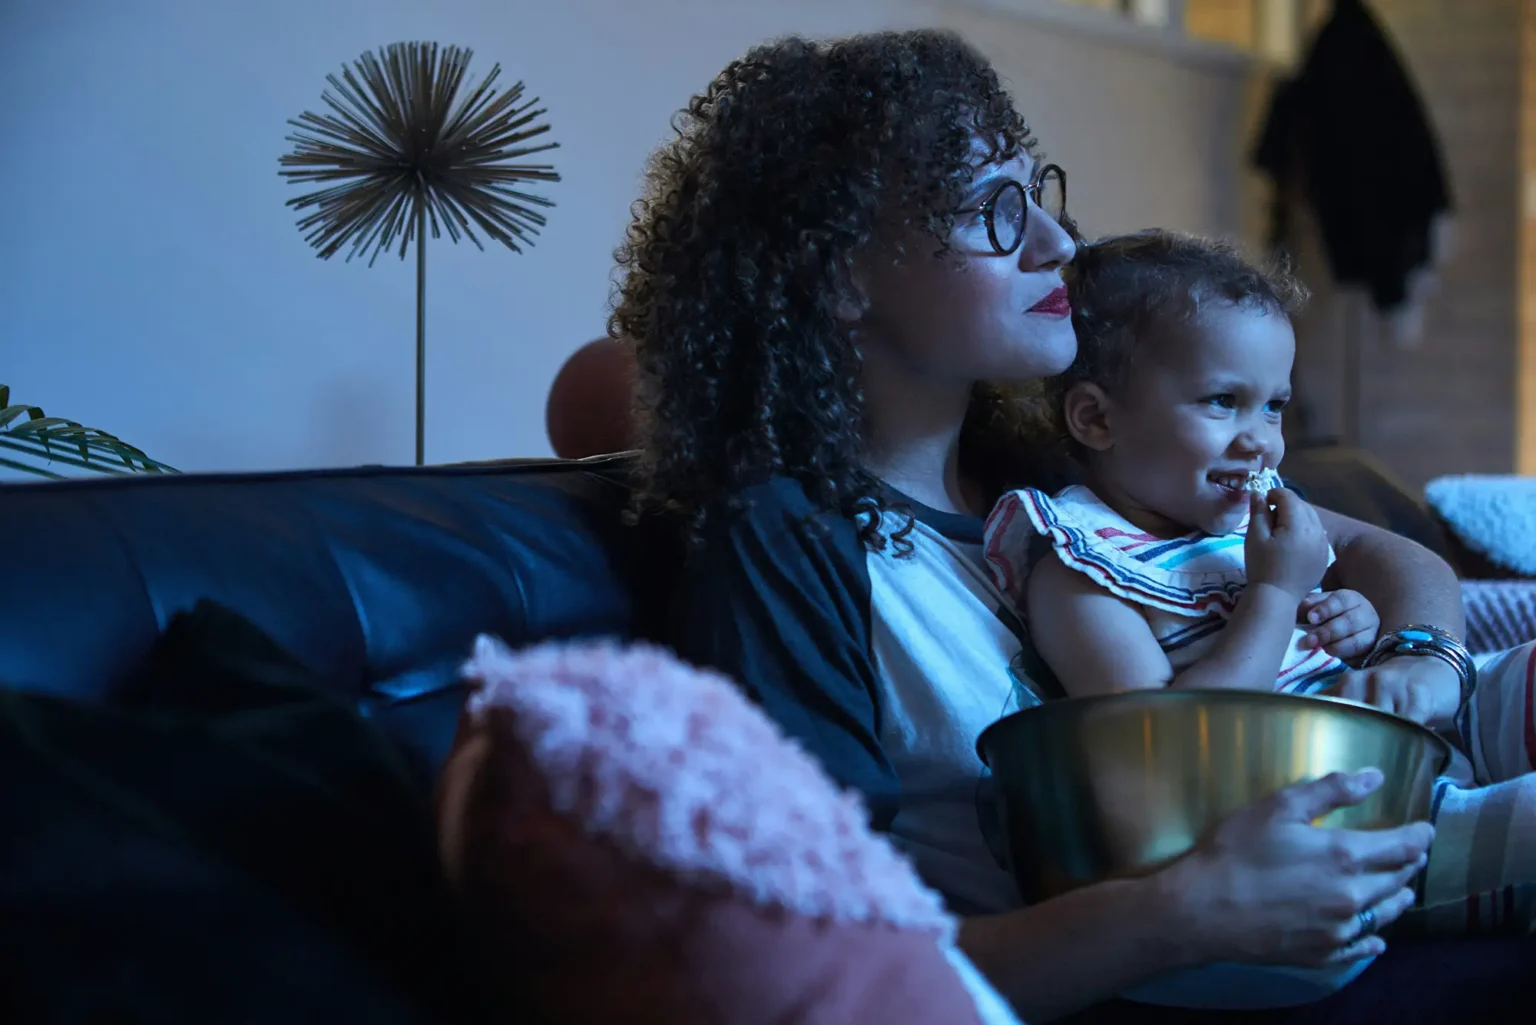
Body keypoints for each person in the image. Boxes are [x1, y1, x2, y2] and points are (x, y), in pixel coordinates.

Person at [608, 28, 1488, 1021]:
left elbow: (1380, 550)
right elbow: (817, 956)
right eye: (994, 209)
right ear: (841, 271)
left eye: (1042, 196)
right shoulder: (784, 539)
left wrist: (1426, 659)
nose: (1058, 244)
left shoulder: (1065, 469)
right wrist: (1188, 911)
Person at [983, 229, 1536, 941]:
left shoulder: (1237, 510)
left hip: (1400, 721)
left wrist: (1380, 637)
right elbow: (1166, 745)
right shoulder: (1079, 569)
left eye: (1273, 405)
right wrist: (1274, 596)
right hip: (1337, 821)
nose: (1262, 440)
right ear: (1096, 417)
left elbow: (1393, 564)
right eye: (1222, 401)